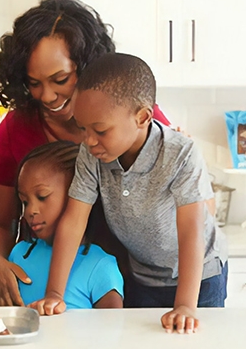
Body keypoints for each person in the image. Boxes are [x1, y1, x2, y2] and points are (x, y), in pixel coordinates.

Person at [0, 0, 171, 306]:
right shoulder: (16, 129)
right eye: (33, 83)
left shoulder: (133, 119)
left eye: (60, 80)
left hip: (138, 280)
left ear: (87, 68)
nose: (47, 96)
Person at [33, 53, 228, 334]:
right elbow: (74, 221)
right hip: (142, 277)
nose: (89, 141)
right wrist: (55, 294)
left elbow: (191, 231)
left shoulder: (180, 153)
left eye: (99, 130)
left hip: (200, 278)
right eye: (83, 128)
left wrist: (185, 305)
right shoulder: (92, 154)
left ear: (142, 117)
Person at [4, 141, 123, 309]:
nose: (31, 210)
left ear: (78, 198)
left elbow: (114, 330)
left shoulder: (100, 264)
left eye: (42, 197)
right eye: (25, 202)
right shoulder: (19, 255)